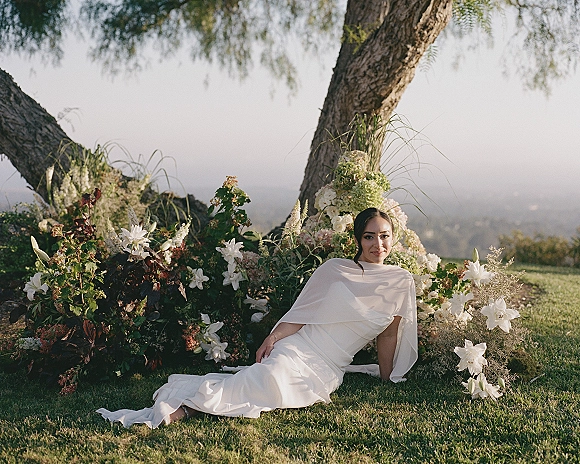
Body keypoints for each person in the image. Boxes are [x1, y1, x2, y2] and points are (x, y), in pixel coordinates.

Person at [97, 207, 418, 428]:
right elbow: (302, 313)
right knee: (270, 374)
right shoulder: (335, 269)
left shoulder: (401, 281)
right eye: (369, 236)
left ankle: (194, 404)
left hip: (329, 366)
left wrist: (388, 379)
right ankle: (187, 408)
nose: (378, 244)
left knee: (281, 389)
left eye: (385, 235)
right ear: (358, 239)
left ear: (393, 237)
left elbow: (388, 335)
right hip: (300, 345)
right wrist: (274, 338)